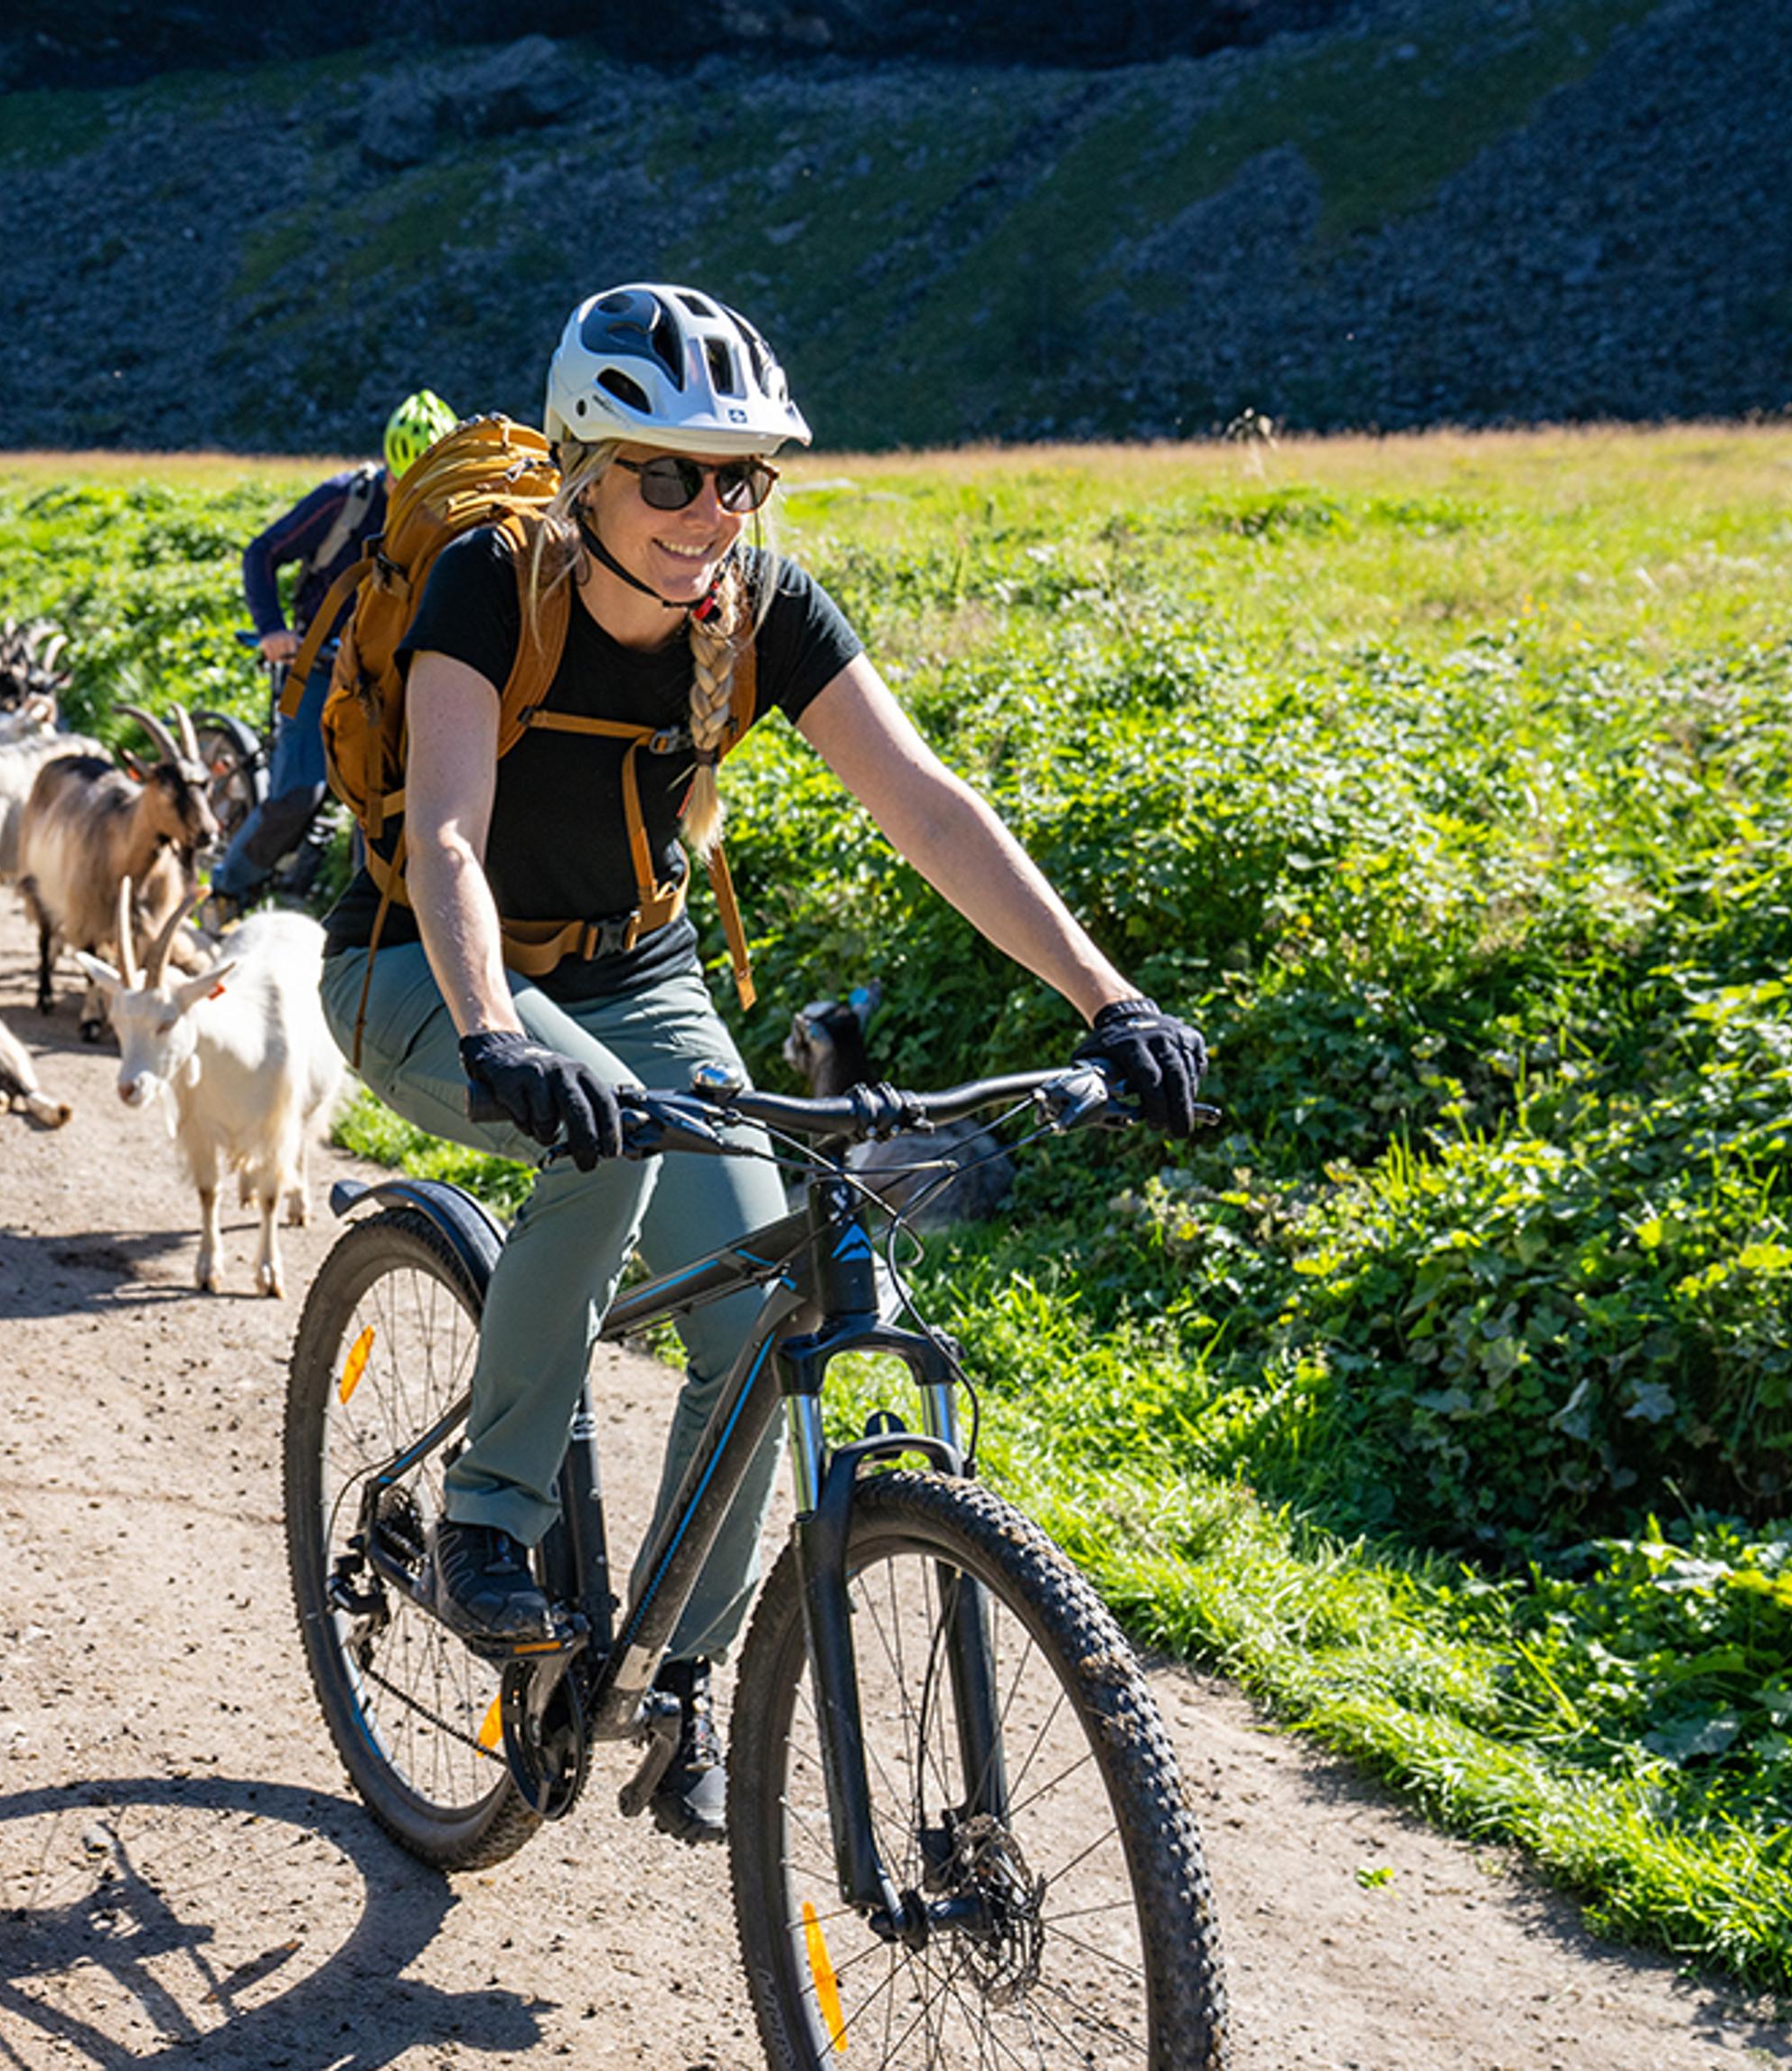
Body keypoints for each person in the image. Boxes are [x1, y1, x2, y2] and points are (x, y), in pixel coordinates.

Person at [317, 285, 1206, 1841]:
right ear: (590, 468)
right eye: (672, 474)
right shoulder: (486, 580)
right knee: (605, 1151)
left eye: (742, 479)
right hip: (415, 960)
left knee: (758, 1301)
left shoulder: (763, 610)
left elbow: (927, 806)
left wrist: (1106, 996)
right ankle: (486, 1522)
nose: (710, 512)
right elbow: (447, 832)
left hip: (634, 968)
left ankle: (674, 1679)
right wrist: (496, 1033)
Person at [209, 389, 459, 915]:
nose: (406, 499)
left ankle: (362, 912)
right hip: (316, 665)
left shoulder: (451, 519)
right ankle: (226, 893)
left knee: (388, 800)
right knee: (296, 797)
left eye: (422, 488)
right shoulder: (344, 501)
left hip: (392, 675)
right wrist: (274, 629)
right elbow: (262, 552)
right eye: (400, 484)